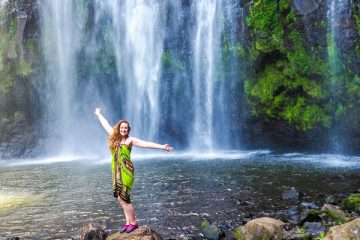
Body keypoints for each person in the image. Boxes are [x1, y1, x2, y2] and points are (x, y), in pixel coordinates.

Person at [94, 107, 173, 233]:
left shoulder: (130, 140)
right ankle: (127, 223)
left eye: (126, 128)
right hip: (116, 172)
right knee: (120, 198)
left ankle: (133, 222)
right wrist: (99, 114)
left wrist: (163, 147)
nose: (124, 129)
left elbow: (146, 144)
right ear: (119, 128)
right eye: (122, 127)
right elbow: (106, 124)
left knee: (124, 198)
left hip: (126, 172)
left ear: (128, 129)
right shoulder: (114, 138)